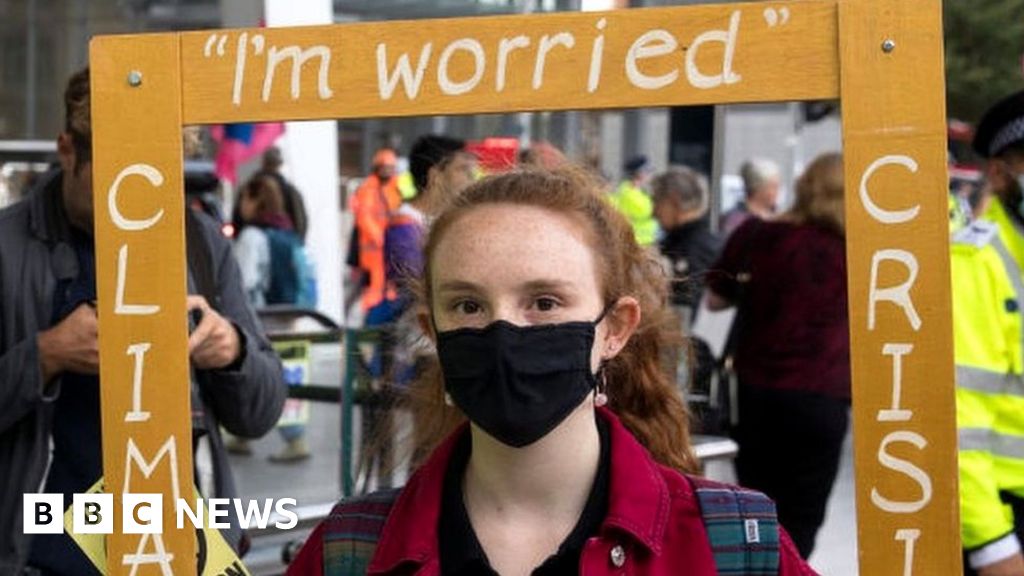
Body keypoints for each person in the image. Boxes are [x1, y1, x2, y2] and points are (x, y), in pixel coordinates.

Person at [287, 168, 816, 575]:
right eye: (468, 306)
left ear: (614, 329)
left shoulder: (738, 546)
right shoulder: (346, 551)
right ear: (433, 330)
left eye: (544, 301)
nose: (502, 333)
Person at [0, 68, 287, 573]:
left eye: (157, 180)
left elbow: (260, 415)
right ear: (68, 150)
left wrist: (233, 351)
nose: (135, 204)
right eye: (118, 179)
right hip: (41, 554)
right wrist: (44, 356)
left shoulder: (198, 240)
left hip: (178, 553)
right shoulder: (8, 246)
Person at [705, 153, 849, 559]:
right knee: (802, 520)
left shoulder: (756, 236)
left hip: (754, 394)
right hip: (823, 398)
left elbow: (715, 301)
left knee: (754, 513)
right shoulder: (864, 252)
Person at [952, 90, 1024, 576]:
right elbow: (958, 422)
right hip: (1004, 518)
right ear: (999, 175)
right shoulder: (974, 264)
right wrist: (994, 548)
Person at [232, 172, 313, 462]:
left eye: (244, 197)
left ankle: (241, 432)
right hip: (290, 316)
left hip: (261, 320)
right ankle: (295, 439)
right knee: (291, 376)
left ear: (255, 200)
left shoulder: (251, 236)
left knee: (251, 374)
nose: (240, 203)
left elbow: (243, 281)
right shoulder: (288, 232)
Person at [650, 166, 723, 321]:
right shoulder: (695, 243)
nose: (653, 212)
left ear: (673, 201)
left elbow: (687, 311)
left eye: (656, 202)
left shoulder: (694, 249)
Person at [348, 149, 402, 314]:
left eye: (391, 168)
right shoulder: (368, 189)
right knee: (373, 289)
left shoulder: (394, 187)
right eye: (385, 167)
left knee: (390, 287)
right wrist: (381, 238)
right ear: (377, 168)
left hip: (388, 248)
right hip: (373, 250)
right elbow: (364, 217)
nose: (388, 171)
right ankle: (371, 320)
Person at [720, 158, 781, 237]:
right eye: (773, 187)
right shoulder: (735, 220)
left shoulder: (779, 217)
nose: (777, 192)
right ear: (758, 188)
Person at [609, 154, 659, 246]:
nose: (650, 175)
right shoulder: (628, 193)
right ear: (639, 174)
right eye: (648, 171)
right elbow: (648, 211)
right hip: (637, 241)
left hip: (644, 240)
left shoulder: (639, 191)